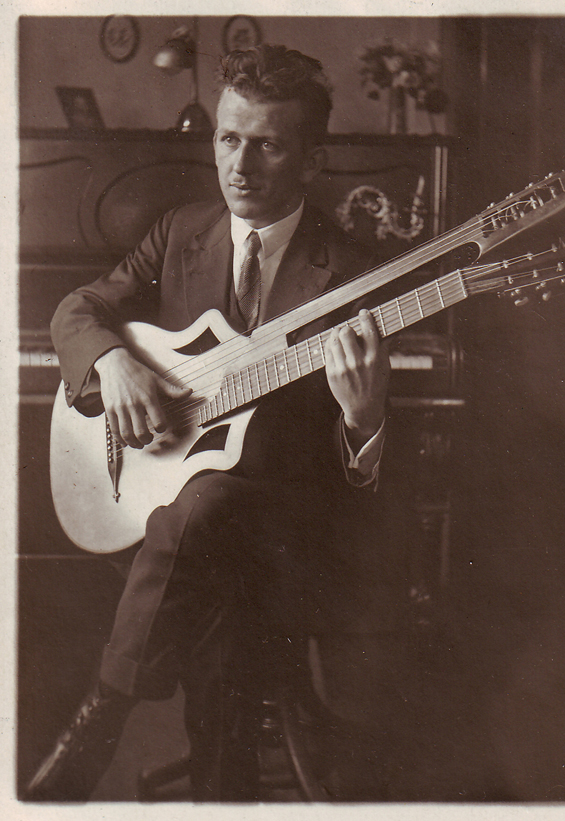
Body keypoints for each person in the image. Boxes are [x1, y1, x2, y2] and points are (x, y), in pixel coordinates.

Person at [25, 44, 391, 801]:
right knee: (214, 562)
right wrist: (113, 363)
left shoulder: (351, 270)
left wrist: (363, 417)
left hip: (292, 528)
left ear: (312, 161)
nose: (240, 165)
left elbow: (358, 473)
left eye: (267, 145)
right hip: (188, 531)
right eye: (229, 138)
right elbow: (78, 310)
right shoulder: (180, 232)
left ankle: (102, 712)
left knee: (212, 505)